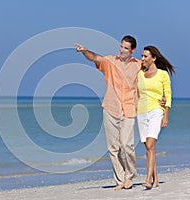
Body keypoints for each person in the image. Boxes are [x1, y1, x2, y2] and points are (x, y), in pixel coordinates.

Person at [75, 35, 141, 190]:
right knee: (113, 147)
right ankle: (120, 180)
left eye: (126, 48)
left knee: (127, 145)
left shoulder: (139, 65)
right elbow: (95, 58)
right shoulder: (111, 61)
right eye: (121, 46)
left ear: (132, 50)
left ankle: (130, 176)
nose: (122, 50)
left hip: (130, 108)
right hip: (111, 107)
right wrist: (85, 51)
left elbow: (151, 80)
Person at [137, 45, 175, 189]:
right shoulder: (139, 74)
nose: (142, 59)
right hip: (141, 112)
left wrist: (165, 116)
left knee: (150, 144)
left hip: (156, 111)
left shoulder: (162, 75)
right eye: (142, 56)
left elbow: (169, 96)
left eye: (145, 56)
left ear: (153, 58)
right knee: (148, 147)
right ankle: (156, 179)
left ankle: (147, 179)